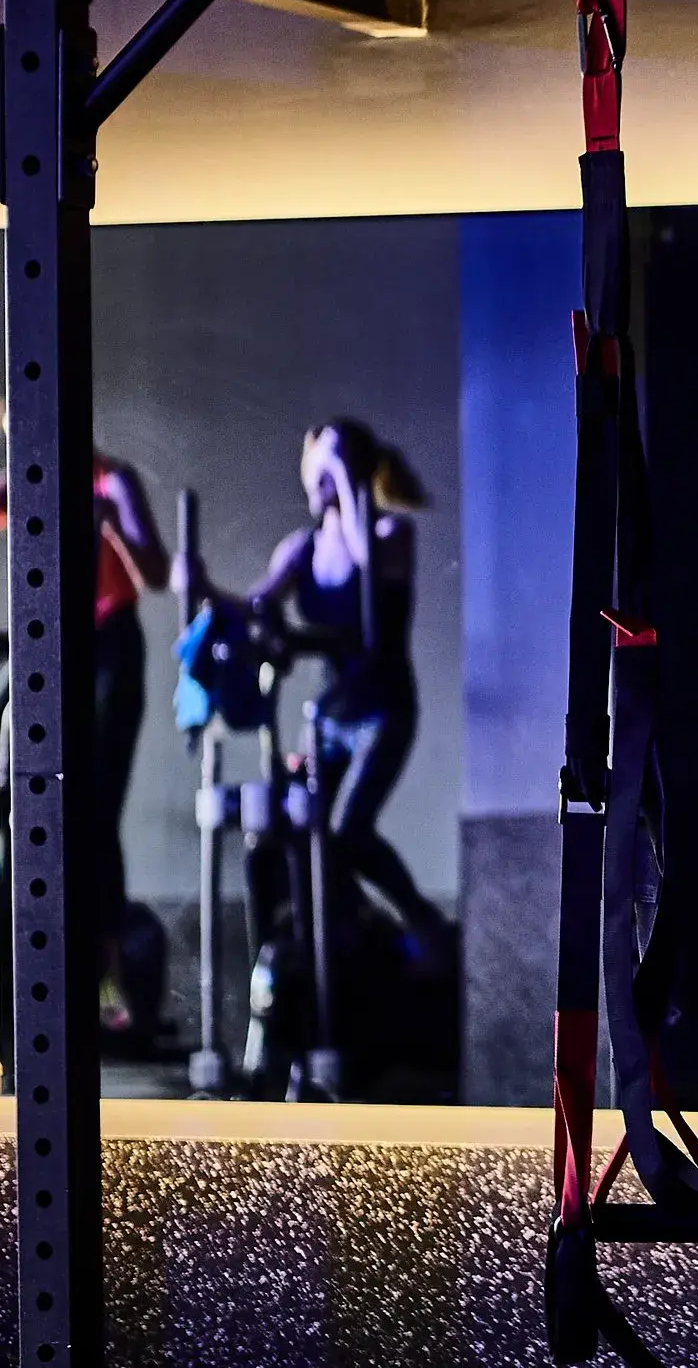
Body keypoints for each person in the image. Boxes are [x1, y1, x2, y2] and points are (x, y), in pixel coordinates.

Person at [179, 420, 450, 970]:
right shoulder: (302, 548)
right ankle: (346, 931)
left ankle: (425, 925)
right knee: (303, 827)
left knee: (350, 831)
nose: (320, 478)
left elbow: (368, 565)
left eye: (333, 466)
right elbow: (255, 606)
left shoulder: (389, 535)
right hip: (331, 713)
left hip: (382, 710)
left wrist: (349, 484)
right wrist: (201, 587)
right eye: (315, 467)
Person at [0, 414, 172, 1038]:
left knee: (96, 811)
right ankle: (48, 981)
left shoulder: (112, 481)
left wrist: (108, 525)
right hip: (48, 641)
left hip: (108, 643)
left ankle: (109, 983)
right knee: (38, 805)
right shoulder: (22, 480)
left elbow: (157, 574)